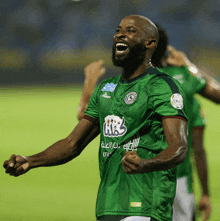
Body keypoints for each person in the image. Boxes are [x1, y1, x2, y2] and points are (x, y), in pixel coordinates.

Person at [3, 15, 189, 221]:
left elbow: (179, 147)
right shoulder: (106, 89)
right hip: (108, 205)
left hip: (145, 205)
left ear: (150, 43)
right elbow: (72, 143)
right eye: (118, 30)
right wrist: (31, 161)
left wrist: (146, 164)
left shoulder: (162, 86)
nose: (120, 34)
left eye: (130, 31)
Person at [151, 24, 219, 221]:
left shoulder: (132, 80)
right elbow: (198, 148)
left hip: (141, 177)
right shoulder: (185, 77)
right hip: (179, 179)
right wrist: (189, 65)